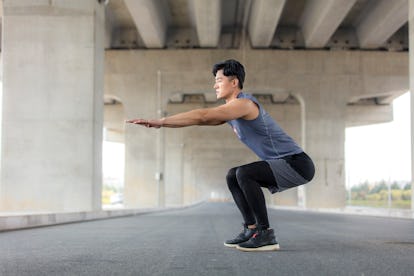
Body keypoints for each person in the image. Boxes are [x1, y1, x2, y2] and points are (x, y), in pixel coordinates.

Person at [126, 59, 315, 252]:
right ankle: (251, 230)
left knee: (244, 173)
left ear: (234, 82)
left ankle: (265, 233)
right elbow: (199, 120)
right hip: (284, 163)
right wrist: (162, 124)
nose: (214, 85)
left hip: (297, 164)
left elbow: (203, 115)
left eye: (219, 80)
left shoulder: (244, 104)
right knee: (233, 175)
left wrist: (161, 121)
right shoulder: (231, 113)